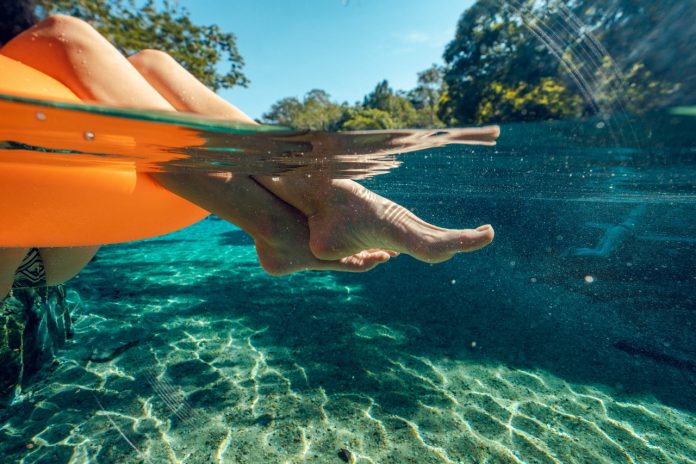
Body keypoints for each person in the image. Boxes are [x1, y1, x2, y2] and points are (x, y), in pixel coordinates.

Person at [0, 12, 497, 300]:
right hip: (24, 255)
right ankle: (299, 214)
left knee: (152, 63)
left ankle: (310, 202)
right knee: (66, 34)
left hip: (39, 246)